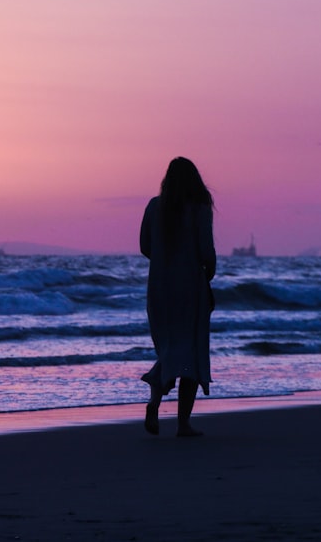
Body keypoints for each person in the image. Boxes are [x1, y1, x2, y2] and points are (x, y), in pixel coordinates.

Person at [140, 157, 216, 437]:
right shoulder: (198, 208)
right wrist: (208, 272)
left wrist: (163, 261)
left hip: (159, 287)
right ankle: (183, 424)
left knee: (171, 347)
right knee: (192, 351)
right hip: (190, 286)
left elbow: (144, 245)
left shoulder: (154, 206)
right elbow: (206, 251)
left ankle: (155, 399)